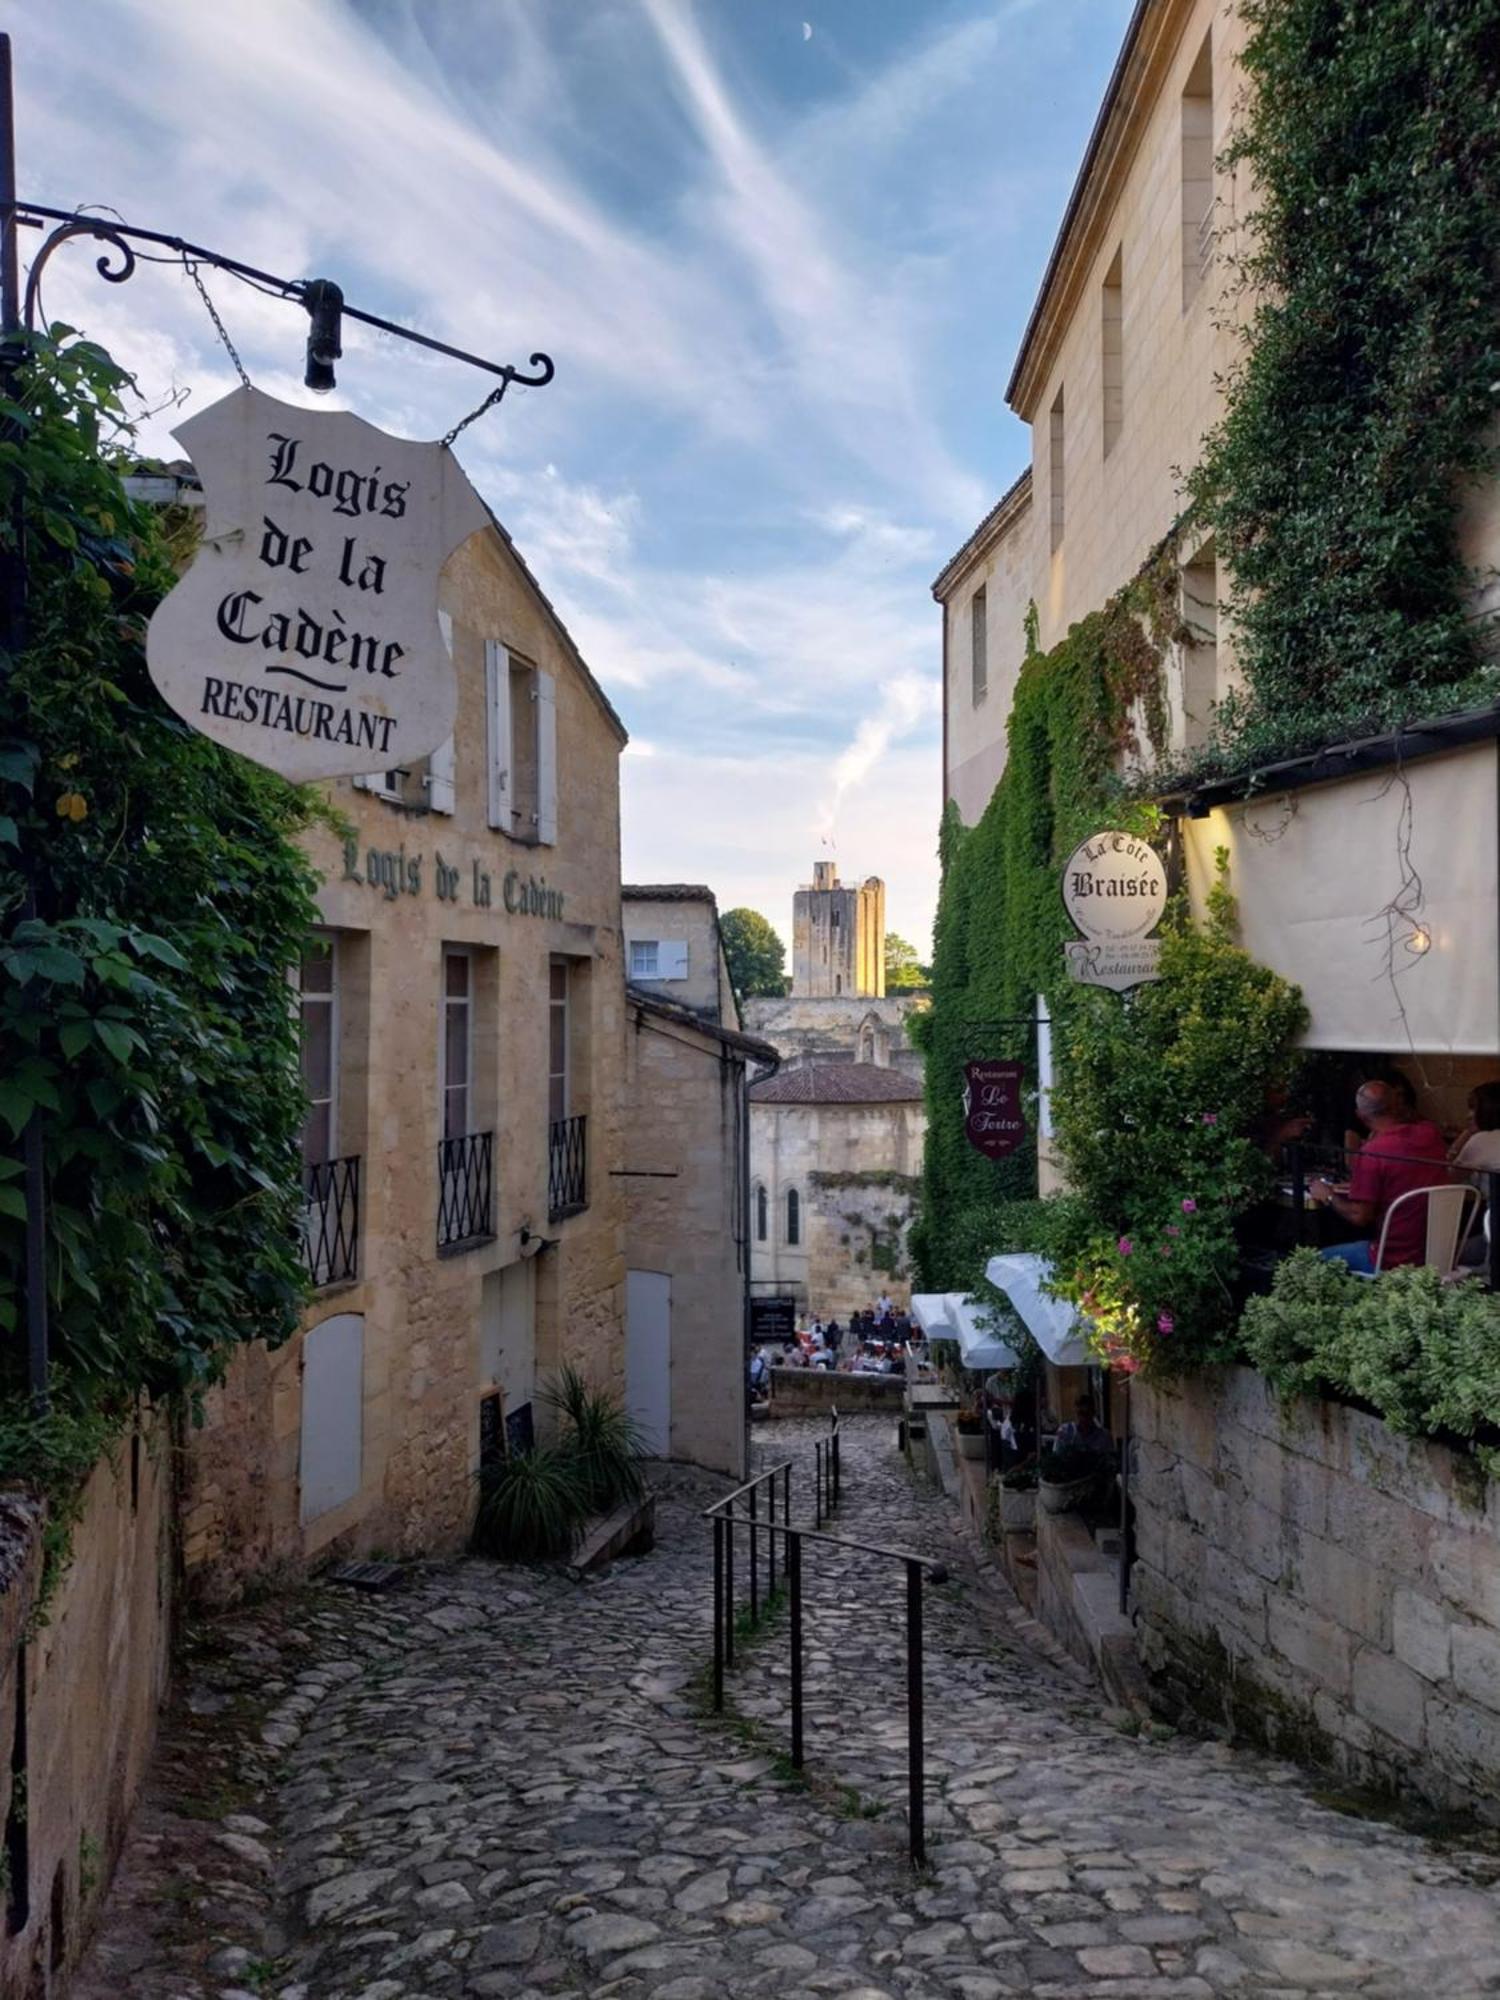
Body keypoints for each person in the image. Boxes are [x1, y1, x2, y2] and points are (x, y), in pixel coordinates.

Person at [1310, 1079, 1450, 1273]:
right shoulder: (1430, 1132)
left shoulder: (1373, 1152)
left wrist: (1328, 1195)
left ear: (1360, 1116)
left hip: (1390, 1259)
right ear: (1397, 1104)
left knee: (1309, 1261)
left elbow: (1360, 1217)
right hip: (1435, 1253)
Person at [1054, 1394, 1115, 1462]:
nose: (1083, 1419)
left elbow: (1110, 1463)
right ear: (1075, 1412)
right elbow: (1057, 1459)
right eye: (1080, 1413)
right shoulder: (1065, 1432)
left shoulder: (1104, 1437)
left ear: (1093, 1413)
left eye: (1087, 1414)